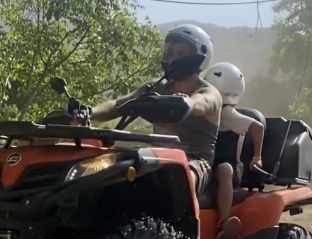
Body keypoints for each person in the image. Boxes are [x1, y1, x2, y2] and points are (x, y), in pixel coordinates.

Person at [90, 24, 221, 195]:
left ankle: (181, 222)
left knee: (179, 176)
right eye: (168, 52)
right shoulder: (156, 89)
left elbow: (201, 102)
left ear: (198, 57)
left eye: (179, 53)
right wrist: (88, 112)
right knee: (106, 168)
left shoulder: (208, 92)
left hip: (194, 162)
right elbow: (117, 105)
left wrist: (187, 103)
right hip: (156, 157)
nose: (171, 58)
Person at [202, 62, 265, 239]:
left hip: (229, 166)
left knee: (224, 170)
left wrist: (257, 157)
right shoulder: (205, 107)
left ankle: (224, 223)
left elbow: (258, 128)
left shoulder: (228, 114)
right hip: (205, 162)